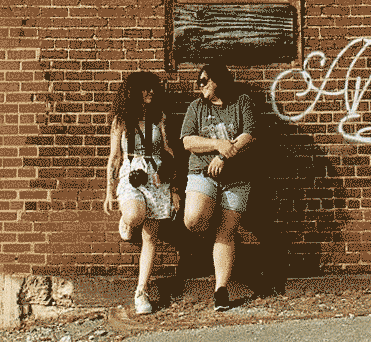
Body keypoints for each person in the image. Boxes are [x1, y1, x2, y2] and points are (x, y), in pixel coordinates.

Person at [181, 60, 256, 311]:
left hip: (237, 177)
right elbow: (188, 142)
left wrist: (224, 155)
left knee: (227, 231)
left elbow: (249, 134)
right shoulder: (196, 107)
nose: (200, 86)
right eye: (198, 82)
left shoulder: (241, 102)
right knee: (193, 220)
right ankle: (209, 212)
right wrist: (217, 145)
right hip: (202, 174)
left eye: (204, 81)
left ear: (218, 80)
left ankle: (221, 290)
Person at [103, 71, 180, 315]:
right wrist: (109, 191)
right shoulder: (121, 120)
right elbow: (114, 157)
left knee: (150, 237)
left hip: (157, 177)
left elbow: (168, 152)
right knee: (136, 216)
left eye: (153, 89)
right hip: (131, 172)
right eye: (146, 89)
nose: (151, 93)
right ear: (133, 92)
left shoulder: (159, 117)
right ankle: (126, 221)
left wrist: (174, 188)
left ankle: (141, 291)